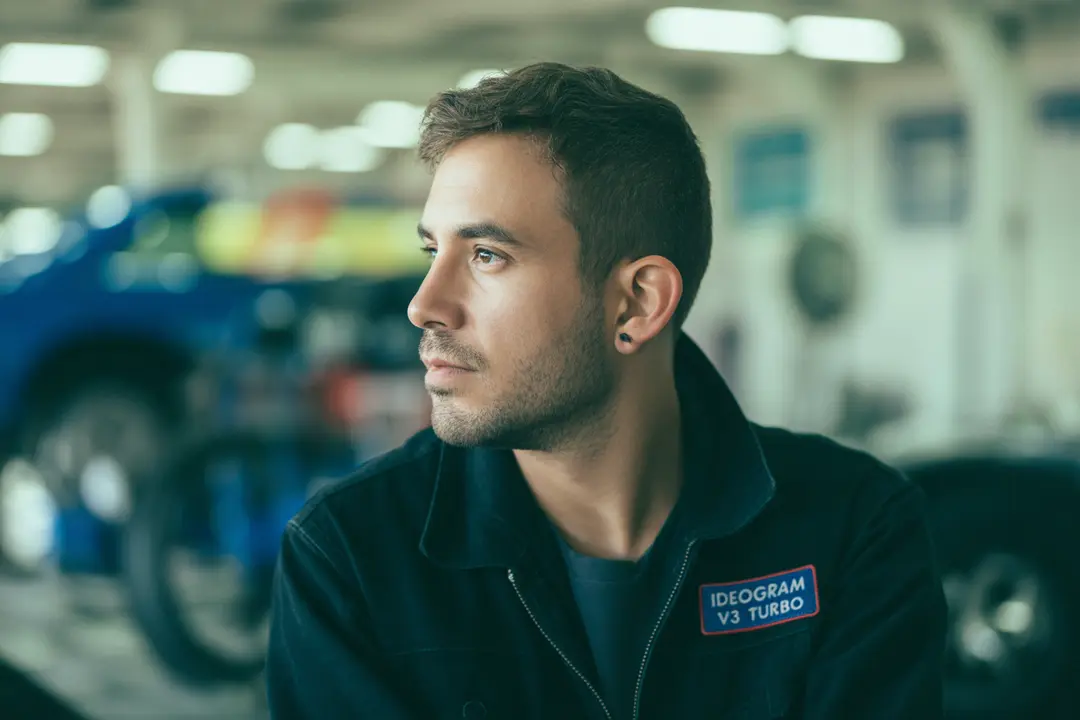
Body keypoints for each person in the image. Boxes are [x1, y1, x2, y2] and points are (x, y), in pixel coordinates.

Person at [266, 62, 947, 720]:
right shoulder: (350, 560)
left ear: (636, 304)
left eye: (485, 256)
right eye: (431, 253)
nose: (424, 305)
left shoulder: (853, 531)